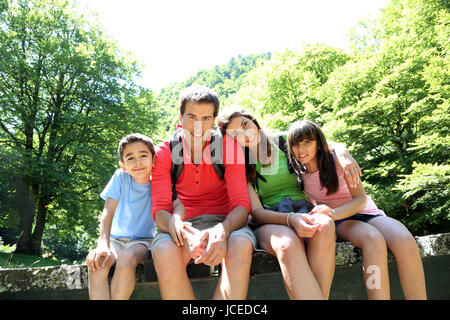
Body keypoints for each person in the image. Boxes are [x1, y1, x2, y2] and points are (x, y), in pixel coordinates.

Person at [218, 107, 360, 300]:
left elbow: (321, 142)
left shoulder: (284, 141)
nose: (245, 133)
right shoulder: (240, 164)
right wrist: (290, 219)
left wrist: (341, 149)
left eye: (245, 124)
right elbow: (257, 211)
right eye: (235, 134)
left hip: (304, 208)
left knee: (325, 226)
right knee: (286, 244)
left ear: (254, 121)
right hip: (269, 219)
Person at [286, 119, 427, 300]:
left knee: (404, 239)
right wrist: (332, 215)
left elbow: (361, 200)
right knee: (373, 239)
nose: (301, 149)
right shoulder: (299, 176)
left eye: (307, 142)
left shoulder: (338, 161)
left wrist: (341, 149)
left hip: (365, 212)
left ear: (319, 145)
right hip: (340, 221)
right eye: (296, 144)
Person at [150, 85, 256, 300]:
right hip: (181, 226)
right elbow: (160, 211)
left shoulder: (228, 147)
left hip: (226, 222)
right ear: (180, 117)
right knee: (164, 252)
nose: (198, 126)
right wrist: (185, 233)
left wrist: (222, 230)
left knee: (241, 245)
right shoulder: (164, 152)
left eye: (206, 119)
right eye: (192, 117)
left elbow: (241, 206)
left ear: (215, 121)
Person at [85, 133, 185, 300]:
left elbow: (178, 204)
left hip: (143, 242)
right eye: (130, 158)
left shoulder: (160, 182)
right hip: (114, 240)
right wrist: (103, 244)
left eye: (143, 156)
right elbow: (108, 212)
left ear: (154, 160)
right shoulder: (120, 177)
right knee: (98, 265)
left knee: (127, 258)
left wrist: (177, 220)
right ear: (123, 165)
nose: (137, 162)